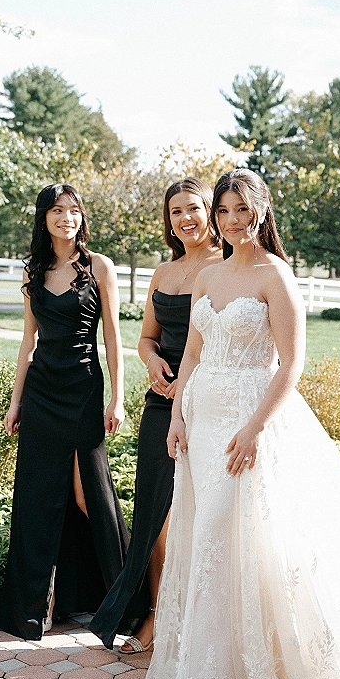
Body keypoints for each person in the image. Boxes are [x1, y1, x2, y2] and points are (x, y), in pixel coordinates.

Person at [143, 168, 340, 679]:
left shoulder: (276, 276)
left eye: (243, 210)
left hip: (252, 418)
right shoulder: (208, 276)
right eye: (224, 212)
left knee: (243, 532)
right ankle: (215, 664)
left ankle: (261, 662)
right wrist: (177, 414)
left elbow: (292, 364)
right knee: (207, 536)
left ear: (262, 212)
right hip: (203, 415)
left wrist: (254, 427)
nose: (234, 221)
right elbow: (192, 354)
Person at [89, 177, 221, 653]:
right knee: (155, 514)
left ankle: (200, 624)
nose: (185, 219)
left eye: (194, 208)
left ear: (211, 211)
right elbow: (146, 337)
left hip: (208, 402)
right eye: (176, 212)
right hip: (161, 404)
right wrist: (151, 361)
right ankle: (156, 617)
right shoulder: (163, 273)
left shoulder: (227, 266)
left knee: (202, 512)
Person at [0, 183, 128, 640]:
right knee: (37, 497)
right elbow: (27, 341)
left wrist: (118, 398)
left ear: (81, 218)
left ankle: (121, 599)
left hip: (82, 390)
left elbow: (112, 337)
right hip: (40, 394)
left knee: (86, 494)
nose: (66, 218)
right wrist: (15, 403)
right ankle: (36, 604)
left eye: (73, 210)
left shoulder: (99, 267)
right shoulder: (34, 268)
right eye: (57, 210)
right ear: (44, 218)